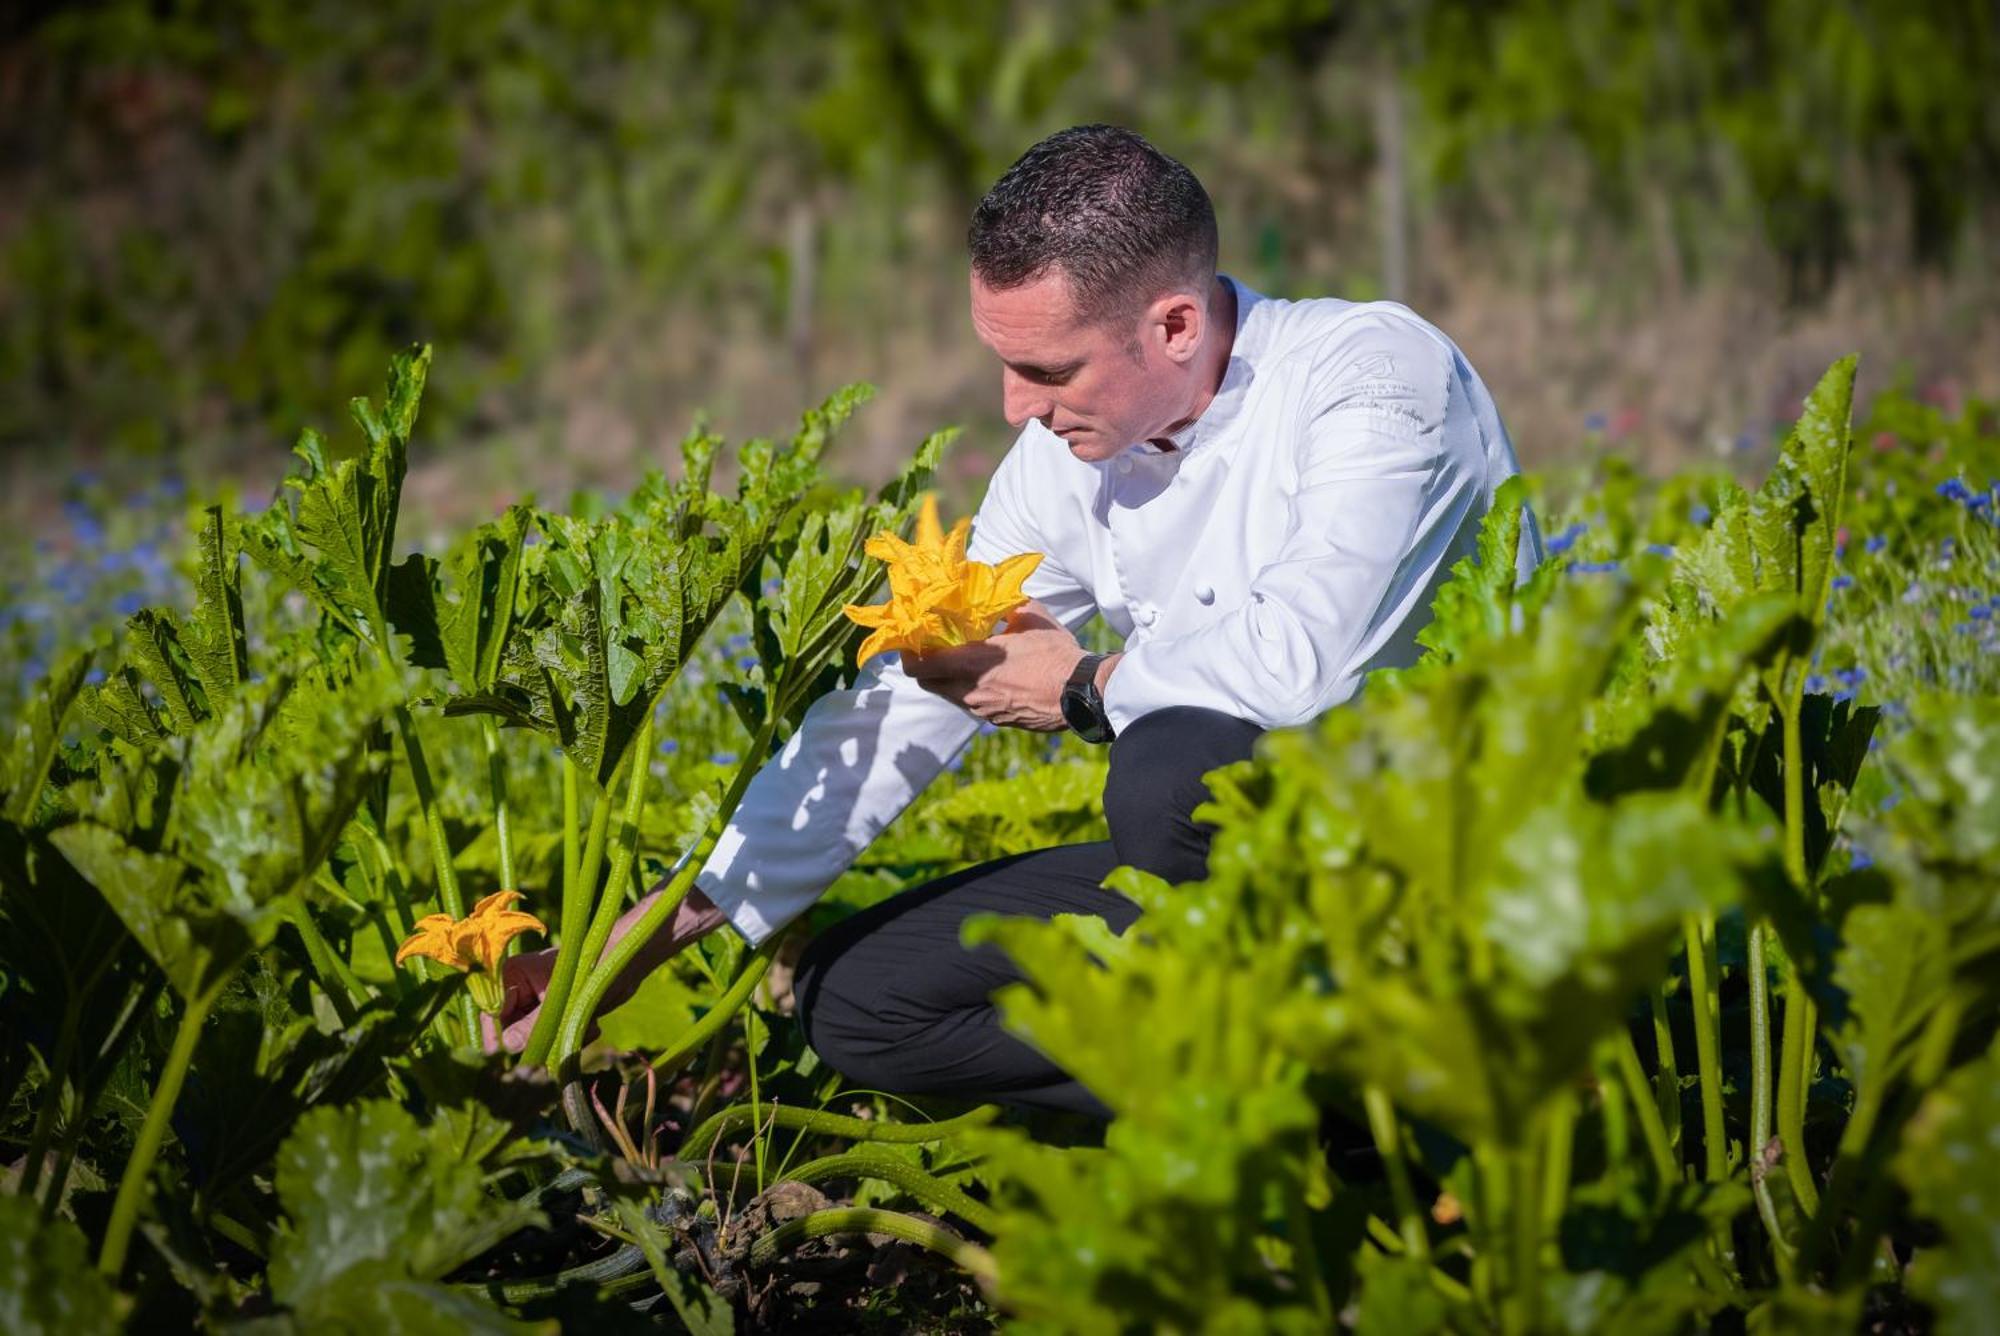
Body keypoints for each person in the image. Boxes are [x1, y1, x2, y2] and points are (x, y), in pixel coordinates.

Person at [495, 124, 1540, 1120]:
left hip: (1433, 872)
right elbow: (902, 709)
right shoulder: (1063, 455)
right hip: (1237, 899)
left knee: (1170, 766)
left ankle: (1412, 1064)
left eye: (1045, 370)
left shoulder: (1371, 375)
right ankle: (1308, 1100)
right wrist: (630, 948)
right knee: (860, 1000)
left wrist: (1082, 688)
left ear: (1172, 324)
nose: (1009, 407)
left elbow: (1299, 666)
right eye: (1001, 362)